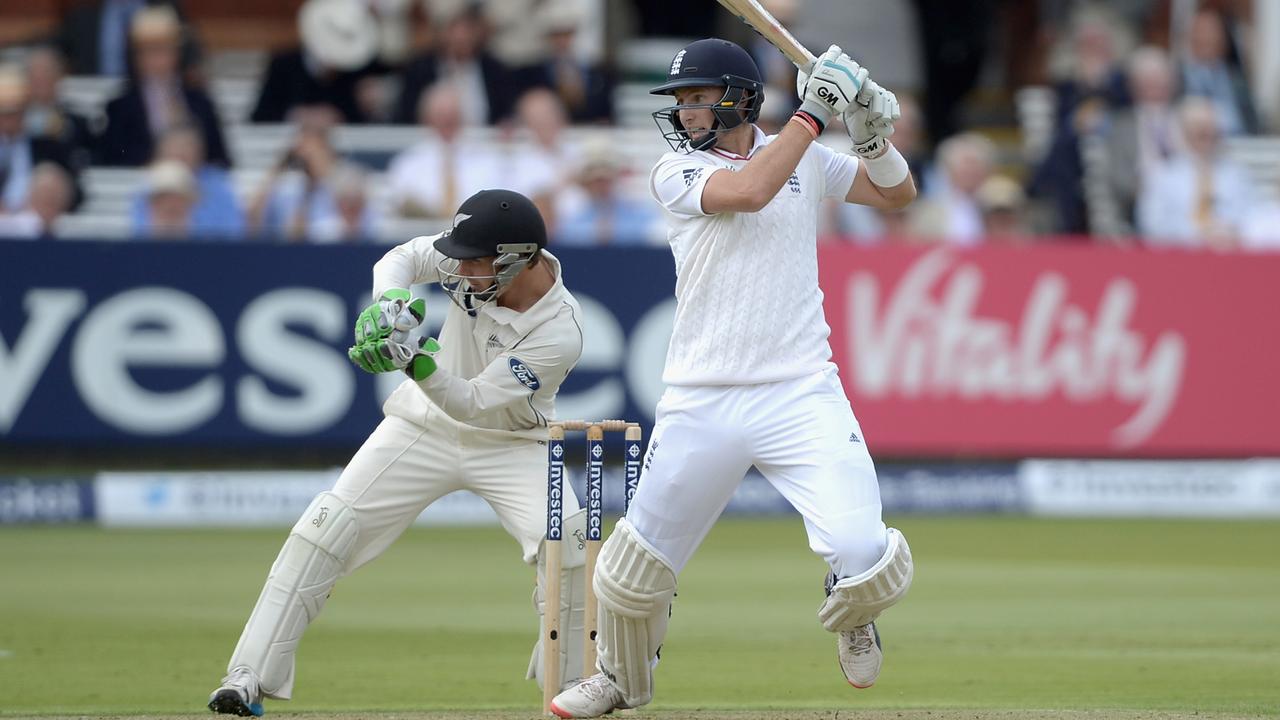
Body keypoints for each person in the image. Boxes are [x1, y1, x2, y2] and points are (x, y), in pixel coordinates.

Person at [549, 38, 916, 717]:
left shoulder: (804, 157)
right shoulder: (674, 172)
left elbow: (897, 194)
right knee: (630, 576)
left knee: (866, 551)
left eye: (698, 97)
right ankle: (618, 678)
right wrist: (814, 114)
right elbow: (750, 190)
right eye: (681, 101)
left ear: (741, 98)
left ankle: (852, 606)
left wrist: (871, 135)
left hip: (800, 390)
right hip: (702, 399)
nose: (686, 113)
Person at [207, 189, 590, 716]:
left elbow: (474, 403)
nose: (457, 269)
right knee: (324, 529)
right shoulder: (471, 259)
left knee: (566, 543)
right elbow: (402, 258)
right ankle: (247, 677)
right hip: (421, 427)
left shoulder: (559, 331)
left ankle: (567, 688)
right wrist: (389, 302)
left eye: (471, 261)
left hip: (512, 442)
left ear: (515, 259)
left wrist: (412, 359)